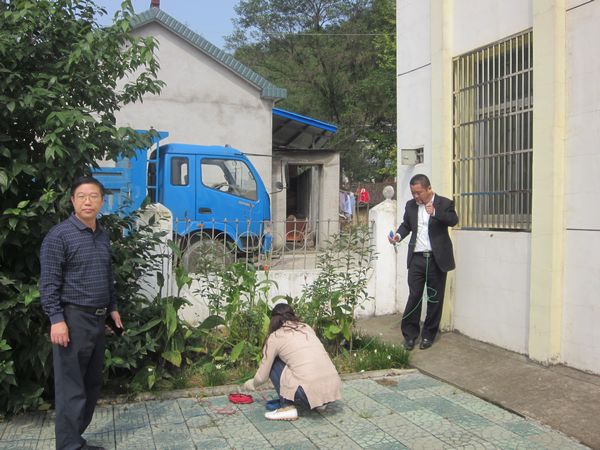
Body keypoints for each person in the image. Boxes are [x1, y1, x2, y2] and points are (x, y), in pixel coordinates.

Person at [40, 176, 123, 450]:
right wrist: (56, 320)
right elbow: (48, 283)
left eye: (94, 196)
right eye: (82, 196)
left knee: (91, 384)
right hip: (72, 320)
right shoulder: (59, 236)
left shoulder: (102, 234)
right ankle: (69, 446)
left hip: (98, 320)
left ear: (102, 201)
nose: (88, 201)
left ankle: (76, 441)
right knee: (71, 388)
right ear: (73, 201)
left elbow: (107, 276)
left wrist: (112, 309)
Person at [388, 174, 458, 351]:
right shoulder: (410, 205)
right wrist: (398, 236)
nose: (416, 196)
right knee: (415, 296)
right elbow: (406, 225)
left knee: (434, 298)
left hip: (436, 259)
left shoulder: (444, 203)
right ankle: (410, 336)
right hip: (417, 258)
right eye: (413, 193)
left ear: (429, 189)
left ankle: (428, 335)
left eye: (419, 192)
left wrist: (435, 212)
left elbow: (453, 220)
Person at [242, 303, 342, 421]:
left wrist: (251, 384)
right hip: (333, 387)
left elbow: (262, 377)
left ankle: (287, 407)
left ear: (273, 320)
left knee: (273, 362)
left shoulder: (275, 337)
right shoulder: (306, 327)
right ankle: (320, 403)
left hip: (305, 393)